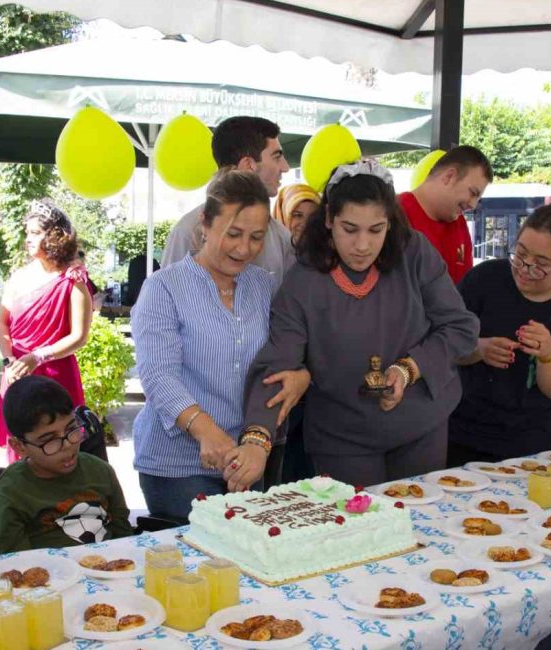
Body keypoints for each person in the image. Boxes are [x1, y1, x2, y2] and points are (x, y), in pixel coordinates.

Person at [241, 160, 480, 487]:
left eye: (376, 230)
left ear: (391, 224)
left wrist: (408, 369)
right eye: (349, 229)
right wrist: (257, 439)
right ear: (328, 220)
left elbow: (460, 329)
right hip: (341, 438)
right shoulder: (302, 282)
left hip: (421, 426)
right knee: (359, 531)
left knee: (417, 526)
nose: (363, 245)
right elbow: (278, 365)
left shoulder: (415, 253)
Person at [132, 171, 308, 523]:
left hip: (248, 459)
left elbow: (282, 354)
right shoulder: (164, 288)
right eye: (233, 234)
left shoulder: (262, 286)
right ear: (205, 224)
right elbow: (158, 376)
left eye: (256, 237)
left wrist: (302, 375)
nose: (244, 249)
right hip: (177, 465)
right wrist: (206, 432)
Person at [448, 203, 551, 463]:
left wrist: (548, 354)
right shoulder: (485, 279)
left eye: (540, 264)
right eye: (520, 254)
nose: (524, 269)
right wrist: (478, 349)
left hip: (530, 442)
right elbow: (446, 344)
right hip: (461, 431)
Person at [0, 376, 133, 554]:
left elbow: (125, 539)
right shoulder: (9, 495)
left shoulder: (101, 471)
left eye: (72, 429)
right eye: (49, 440)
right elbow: (13, 567)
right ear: (19, 446)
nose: (68, 445)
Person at [0, 201, 93, 464]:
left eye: (35, 233)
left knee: (61, 447)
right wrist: (10, 361)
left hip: (56, 375)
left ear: (53, 236)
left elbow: (79, 336)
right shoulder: (18, 277)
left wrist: (38, 357)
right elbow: (2, 324)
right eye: (27, 233)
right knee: (20, 448)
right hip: (17, 373)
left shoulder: (72, 279)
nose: (28, 239)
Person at [160, 116, 294, 287]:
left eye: (256, 237)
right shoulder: (188, 232)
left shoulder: (281, 236)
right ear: (249, 164)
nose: (285, 167)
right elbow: (169, 298)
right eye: (277, 157)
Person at [270, 183, 321, 483]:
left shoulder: (323, 260)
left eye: (312, 216)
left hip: (312, 379)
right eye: (297, 213)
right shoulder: (266, 251)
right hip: (276, 373)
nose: (303, 223)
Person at [399, 146, 493, 286]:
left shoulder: (459, 223)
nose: (472, 205)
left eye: (477, 199)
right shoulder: (394, 214)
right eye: (472, 193)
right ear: (449, 177)